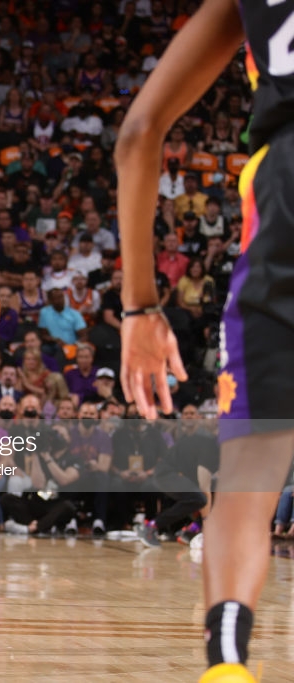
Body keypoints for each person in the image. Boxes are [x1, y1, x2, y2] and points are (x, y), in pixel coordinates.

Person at [115, 2, 287, 679]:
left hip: (285, 216)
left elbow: (138, 133)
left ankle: (227, 664)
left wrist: (138, 308)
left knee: (248, 478)